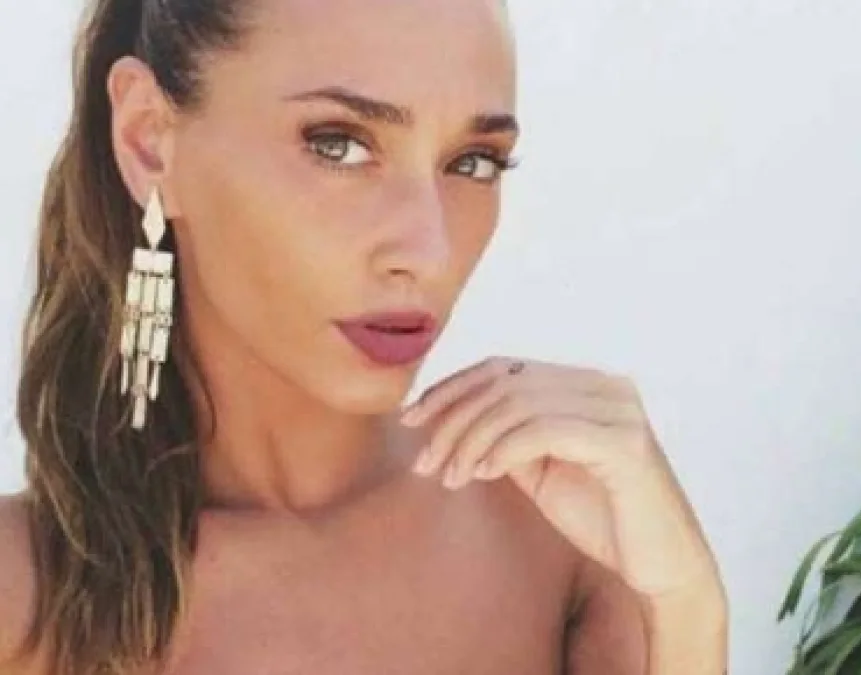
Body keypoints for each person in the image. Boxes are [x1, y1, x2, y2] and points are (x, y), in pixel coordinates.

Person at [0, 0, 729, 673]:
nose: (429, 250)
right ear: (150, 141)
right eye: (339, 145)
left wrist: (687, 603)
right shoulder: (24, 599)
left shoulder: (565, 536)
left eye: (473, 162)